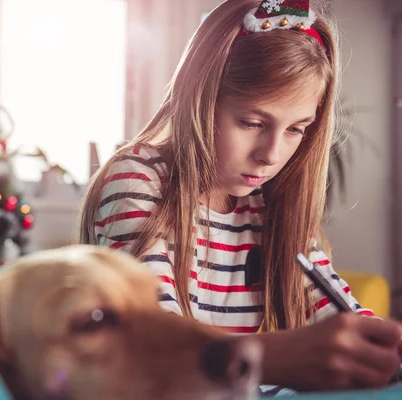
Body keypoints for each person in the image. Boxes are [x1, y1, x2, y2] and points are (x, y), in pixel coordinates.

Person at [79, 0, 402, 394]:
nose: (271, 154)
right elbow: (152, 341)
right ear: (200, 100)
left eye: (296, 129)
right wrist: (272, 357)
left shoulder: (271, 203)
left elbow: (335, 310)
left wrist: (379, 348)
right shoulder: (139, 179)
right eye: (252, 122)